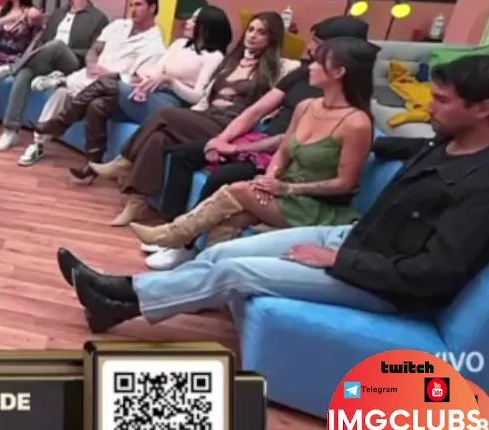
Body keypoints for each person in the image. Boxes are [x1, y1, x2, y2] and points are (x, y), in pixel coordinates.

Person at [58, 55, 489, 334]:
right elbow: (392, 149)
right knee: (224, 251)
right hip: (360, 239)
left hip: (382, 283)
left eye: (442, 100)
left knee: (233, 270)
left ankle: (122, 298)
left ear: (484, 108)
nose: (430, 108)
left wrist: (335, 261)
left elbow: (431, 273)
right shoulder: (452, 141)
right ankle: (120, 295)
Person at [144, 15, 370, 269]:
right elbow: (276, 137)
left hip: (311, 204)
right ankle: (204, 270)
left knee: (234, 186)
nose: (310, 60)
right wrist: (265, 176)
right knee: (224, 214)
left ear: (339, 69)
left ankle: (175, 236)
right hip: (277, 177)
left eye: (319, 56)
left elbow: (344, 183)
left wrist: (284, 186)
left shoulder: (357, 123)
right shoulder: (307, 104)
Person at [92, 11, 291, 226]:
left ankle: (125, 161)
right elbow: (205, 99)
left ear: (272, 38)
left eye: (261, 32)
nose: (252, 36)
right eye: (250, 30)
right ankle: (137, 203)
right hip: (207, 116)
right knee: (159, 137)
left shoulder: (276, 69)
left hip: (231, 128)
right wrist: (190, 115)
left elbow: (271, 102)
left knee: (165, 114)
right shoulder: (231, 61)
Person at [19, 0, 167, 167]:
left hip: (111, 88)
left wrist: (111, 74)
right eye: (131, 5)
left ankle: (61, 81)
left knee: (70, 89)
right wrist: (91, 64)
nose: (133, 9)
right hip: (89, 75)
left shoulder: (155, 46)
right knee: (62, 93)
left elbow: (138, 80)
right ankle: (38, 144)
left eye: (139, 5)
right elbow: (95, 49)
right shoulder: (118, 25)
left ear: (152, 8)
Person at [0, 0, 109, 151]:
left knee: (57, 45)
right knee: (25, 73)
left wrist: (63, 50)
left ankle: (9, 69)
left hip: (73, 65)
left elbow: (95, 52)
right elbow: (42, 41)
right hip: (49, 62)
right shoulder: (59, 13)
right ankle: (10, 130)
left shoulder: (98, 18)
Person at [112, 5, 232, 127]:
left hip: (174, 104)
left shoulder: (214, 57)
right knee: (103, 102)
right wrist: (144, 85)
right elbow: (157, 71)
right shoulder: (179, 44)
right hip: (154, 93)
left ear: (206, 28)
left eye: (194, 20)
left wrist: (171, 81)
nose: (187, 22)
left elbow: (197, 97)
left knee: (111, 85)